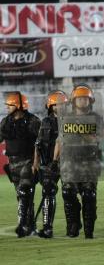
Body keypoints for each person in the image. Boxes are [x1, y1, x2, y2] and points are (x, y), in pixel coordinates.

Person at [54, 84, 104, 239]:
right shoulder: (66, 118)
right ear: (74, 101)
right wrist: (54, 160)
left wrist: (80, 129)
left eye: (86, 99)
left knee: (89, 195)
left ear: (90, 101)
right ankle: (73, 226)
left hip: (89, 163)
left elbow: (96, 140)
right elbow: (60, 140)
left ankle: (89, 231)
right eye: (80, 98)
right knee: (68, 194)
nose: (83, 101)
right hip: (69, 163)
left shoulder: (96, 118)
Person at [0, 92, 41, 238]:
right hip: (13, 165)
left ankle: (23, 225)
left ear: (18, 106)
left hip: (28, 162)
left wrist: (36, 162)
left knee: (25, 192)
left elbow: (41, 142)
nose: (7, 107)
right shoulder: (5, 122)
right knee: (22, 196)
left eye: (10, 105)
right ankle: (31, 227)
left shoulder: (33, 121)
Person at [32, 90, 68, 238]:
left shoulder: (71, 120)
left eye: (60, 104)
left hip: (68, 163)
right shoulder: (45, 122)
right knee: (48, 193)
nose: (58, 107)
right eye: (55, 105)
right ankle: (47, 228)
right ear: (50, 106)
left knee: (69, 195)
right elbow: (38, 143)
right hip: (49, 164)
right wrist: (36, 162)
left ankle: (74, 226)